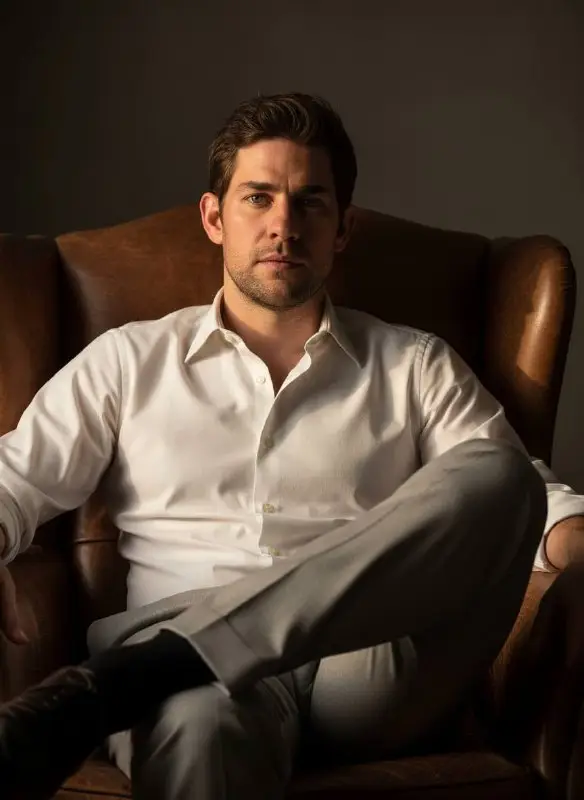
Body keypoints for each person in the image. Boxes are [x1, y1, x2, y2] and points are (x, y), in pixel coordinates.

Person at [0, 92, 583, 800]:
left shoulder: (413, 363)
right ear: (214, 218)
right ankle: (174, 665)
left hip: (364, 671)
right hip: (191, 680)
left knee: (500, 471)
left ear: (341, 229)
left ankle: (131, 679)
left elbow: (516, 498)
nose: (284, 224)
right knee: (194, 725)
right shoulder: (128, 361)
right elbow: (14, 478)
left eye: (310, 202)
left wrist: (571, 536)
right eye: (258, 198)